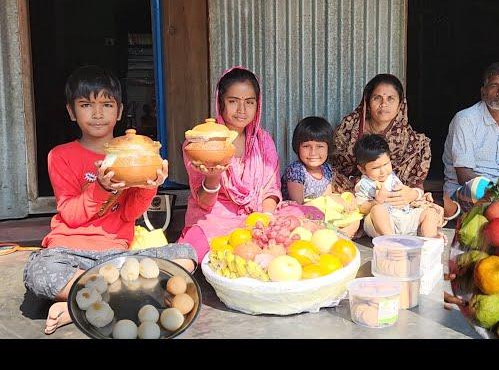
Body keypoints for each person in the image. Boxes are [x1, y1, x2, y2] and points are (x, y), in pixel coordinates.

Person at [22, 65, 197, 335]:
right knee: (39, 271)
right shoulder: (60, 156)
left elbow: (129, 215)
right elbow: (70, 214)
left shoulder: (131, 154)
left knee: (186, 256)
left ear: (119, 110)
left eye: (106, 104)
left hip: (117, 256)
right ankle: (116, 298)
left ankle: (81, 302)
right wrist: (101, 188)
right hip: (68, 252)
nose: (97, 113)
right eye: (86, 105)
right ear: (71, 111)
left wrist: (149, 186)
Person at [178, 66, 282, 263]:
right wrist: (213, 176)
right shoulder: (202, 143)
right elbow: (204, 202)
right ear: (220, 103)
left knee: (304, 219)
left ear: (257, 105)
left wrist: (266, 216)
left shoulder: (263, 141)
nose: (242, 110)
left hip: (256, 214)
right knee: (192, 253)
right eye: (233, 101)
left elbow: (271, 190)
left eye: (249, 102)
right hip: (215, 217)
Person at [331, 73, 459, 220]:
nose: (384, 104)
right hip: (352, 193)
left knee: (431, 211)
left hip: (393, 198)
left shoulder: (413, 142)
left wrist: (411, 194)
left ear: (400, 105)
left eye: (390, 98)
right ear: (367, 102)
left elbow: (415, 186)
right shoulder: (349, 126)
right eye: (377, 98)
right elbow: (335, 167)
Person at [442, 62, 499, 209]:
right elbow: (463, 175)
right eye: (494, 86)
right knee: (476, 189)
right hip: (468, 192)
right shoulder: (465, 119)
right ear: (483, 92)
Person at [281, 116, 361, 236]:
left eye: (320, 146)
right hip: (303, 215)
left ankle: (340, 234)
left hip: (322, 214)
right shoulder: (297, 170)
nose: (313, 152)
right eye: (306, 146)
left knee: (355, 218)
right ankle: (336, 234)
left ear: (328, 148)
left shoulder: (326, 169)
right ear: (297, 147)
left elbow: (327, 197)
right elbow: (298, 205)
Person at [354, 134, 446, 237]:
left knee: (430, 213)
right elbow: (361, 207)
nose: (383, 171)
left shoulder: (392, 176)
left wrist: (411, 194)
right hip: (384, 224)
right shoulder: (364, 184)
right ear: (362, 169)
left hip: (404, 216)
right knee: (377, 210)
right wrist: (376, 202)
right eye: (376, 168)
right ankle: (392, 241)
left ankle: (430, 239)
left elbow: (408, 194)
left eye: (386, 164)